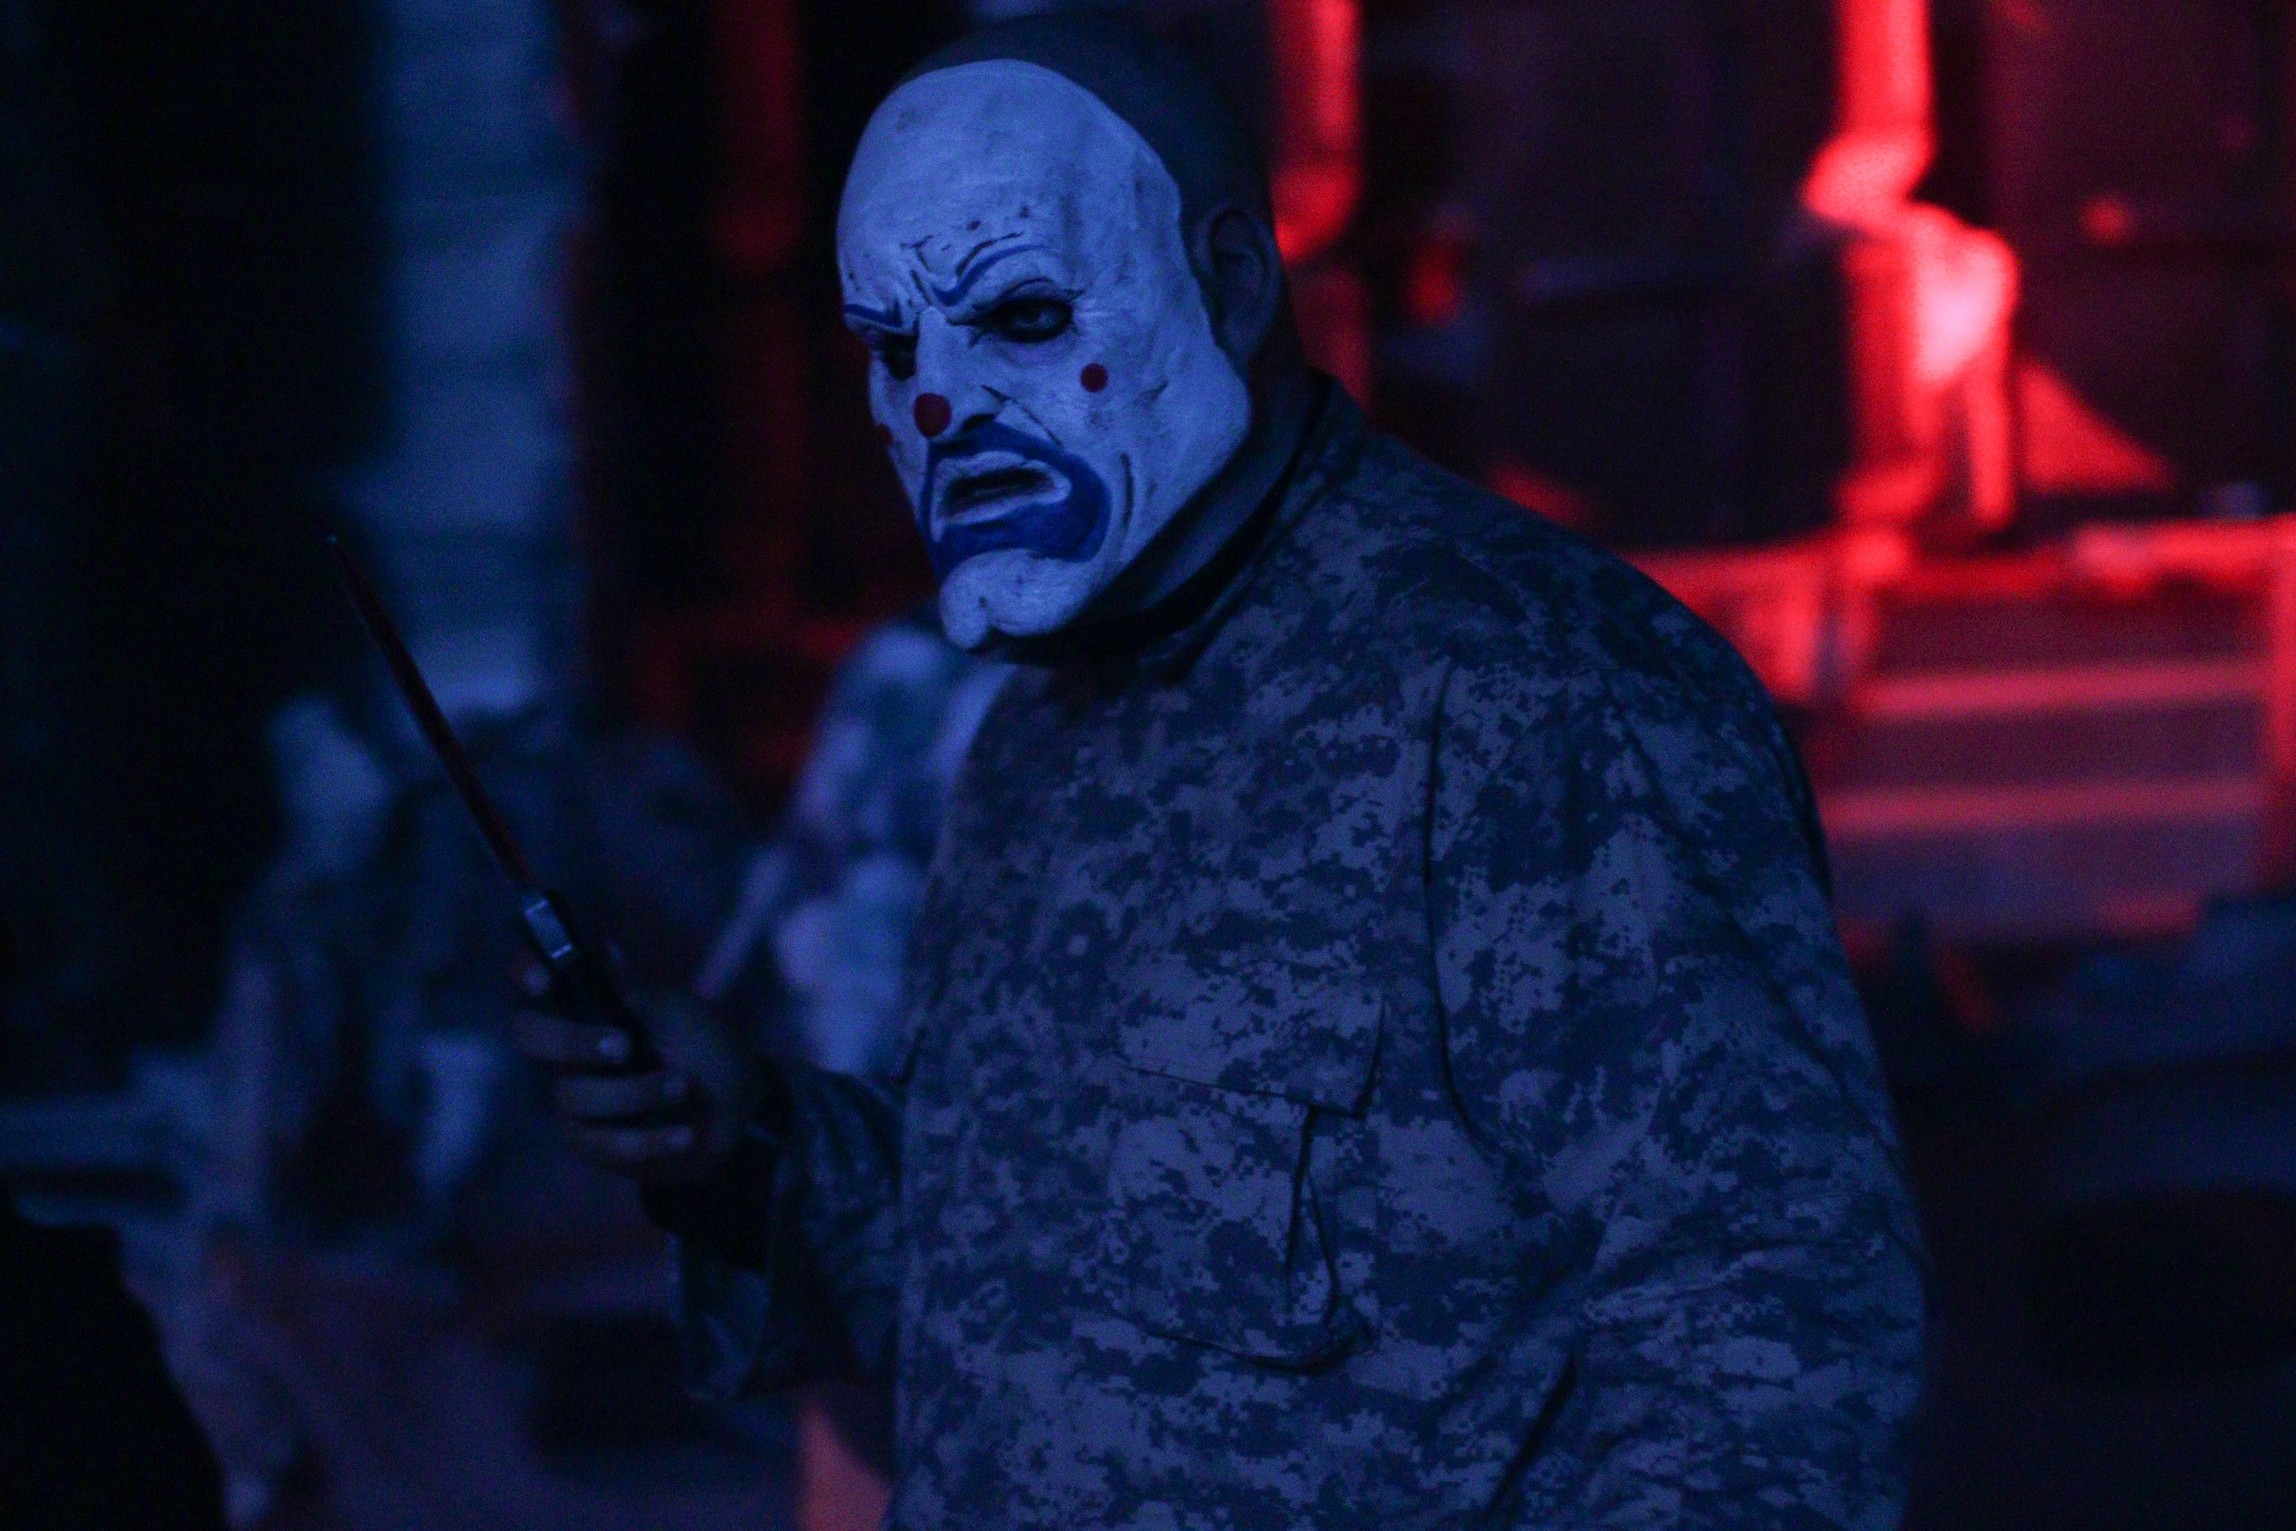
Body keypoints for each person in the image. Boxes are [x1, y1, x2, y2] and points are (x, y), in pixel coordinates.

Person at [513, 16, 1928, 1527]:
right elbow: (1035, 1290)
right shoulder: (1038, 728)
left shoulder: (1534, 694)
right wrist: (747, 1149)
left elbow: (1771, 1332)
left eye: (1023, 315)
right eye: (894, 345)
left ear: (1234, 286)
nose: (937, 405)